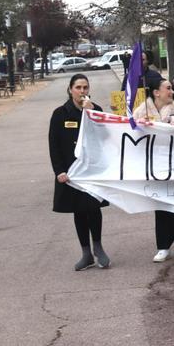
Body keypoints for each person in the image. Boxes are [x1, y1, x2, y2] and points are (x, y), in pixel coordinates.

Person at [48, 74, 111, 271]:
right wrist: (59, 171)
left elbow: (106, 136)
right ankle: (86, 253)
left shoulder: (95, 109)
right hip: (71, 171)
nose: (82, 91)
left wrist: (92, 115)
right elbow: (54, 145)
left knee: (93, 208)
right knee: (78, 210)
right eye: (78, 87)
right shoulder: (60, 114)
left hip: (91, 169)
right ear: (70, 90)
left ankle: (98, 247)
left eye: (85, 87)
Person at [132, 78, 174, 262]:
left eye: (172, 88)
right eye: (168, 88)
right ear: (156, 92)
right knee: (159, 204)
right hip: (152, 164)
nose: (172, 91)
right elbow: (129, 128)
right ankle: (163, 246)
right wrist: (140, 124)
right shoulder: (142, 110)